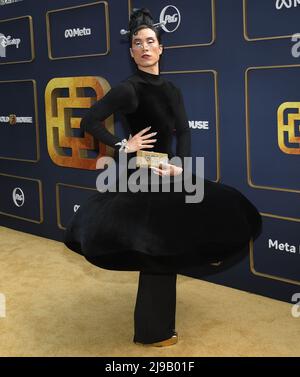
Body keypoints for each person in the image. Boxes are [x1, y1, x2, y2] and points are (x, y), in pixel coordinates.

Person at [63, 8, 262, 347]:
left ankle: (156, 325)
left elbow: (183, 132)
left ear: (160, 48)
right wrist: (124, 144)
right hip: (139, 176)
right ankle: (153, 331)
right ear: (132, 52)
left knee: (183, 233)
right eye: (137, 43)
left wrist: (181, 167)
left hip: (167, 172)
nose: (144, 47)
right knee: (154, 251)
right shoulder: (128, 89)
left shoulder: (171, 89)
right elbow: (89, 121)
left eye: (150, 41)